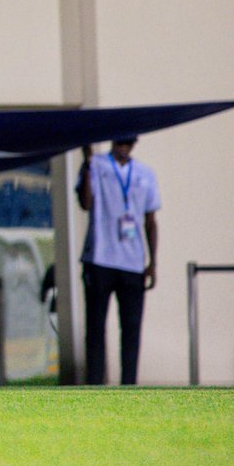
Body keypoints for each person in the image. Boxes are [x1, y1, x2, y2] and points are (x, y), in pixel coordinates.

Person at [77, 135, 159, 385]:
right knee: (96, 328)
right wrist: (88, 164)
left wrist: (152, 262)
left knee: (131, 328)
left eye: (128, 143)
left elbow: (150, 220)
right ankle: (94, 382)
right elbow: (86, 202)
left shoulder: (144, 174)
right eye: (120, 143)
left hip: (132, 262)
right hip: (101, 259)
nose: (123, 147)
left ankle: (129, 385)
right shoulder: (97, 165)